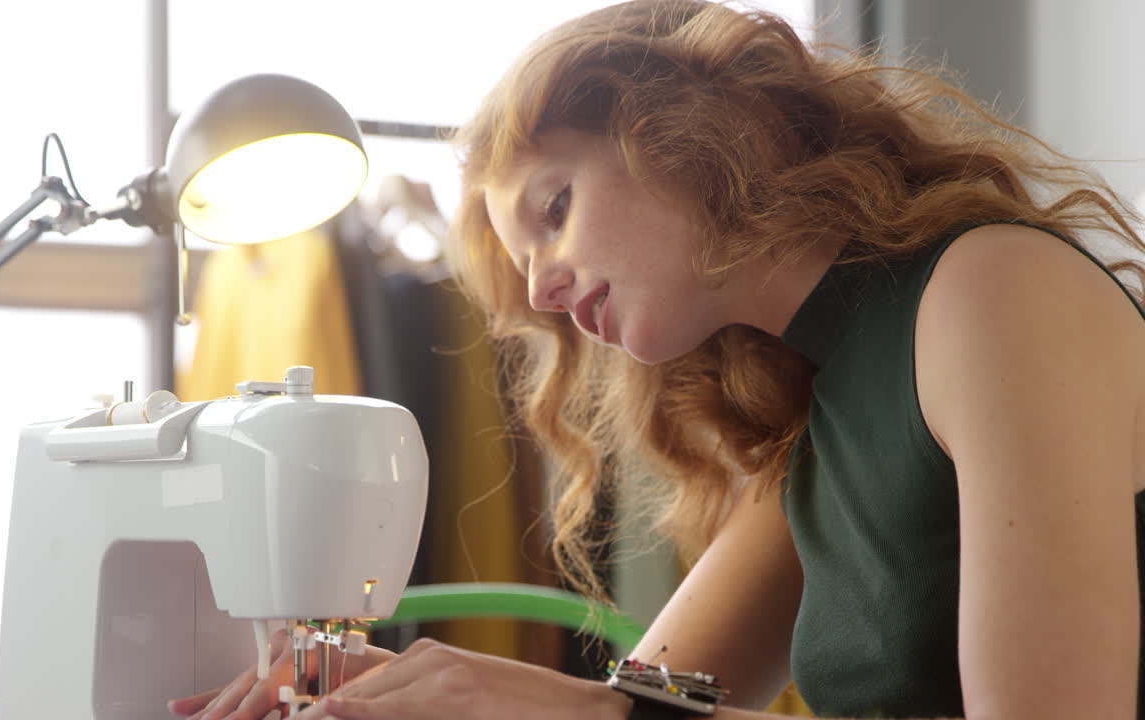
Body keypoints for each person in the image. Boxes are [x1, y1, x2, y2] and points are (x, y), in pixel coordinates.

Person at [169, 1, 1145, 718]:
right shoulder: (821, 419)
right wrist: (389, 693)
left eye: (553, 210)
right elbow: (671, 704)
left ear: (684, 132)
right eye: (527, 271)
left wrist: (579, 712)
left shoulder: (985, 292)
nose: (545, 292)